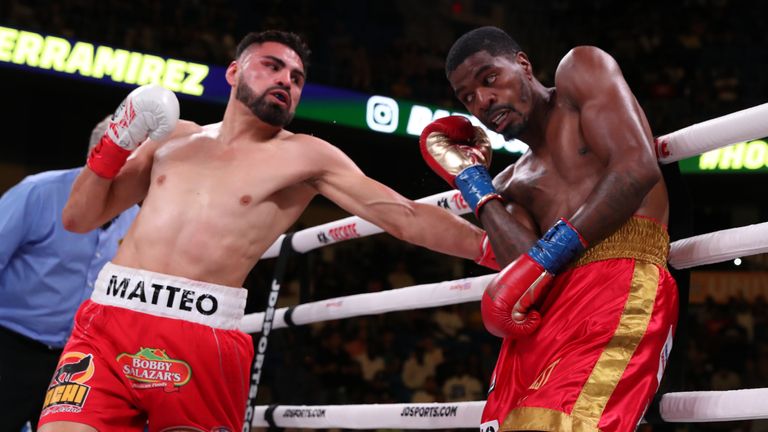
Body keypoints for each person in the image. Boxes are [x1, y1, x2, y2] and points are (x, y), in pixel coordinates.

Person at [39, 30, 492, 431]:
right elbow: (78, 219)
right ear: (234, 71)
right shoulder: (171, 137)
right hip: (108, 319)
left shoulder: (306, 156)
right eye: (272, 66)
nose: (286, 81)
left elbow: (403, 215)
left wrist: (497, 249)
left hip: (200, 336)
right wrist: (113, 144)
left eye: (296, 78)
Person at [420, 26, 678, 432]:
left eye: (490, 80)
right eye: (468, 98)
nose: (484, 101)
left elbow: (636, 167)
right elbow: (523, 270)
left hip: (617, 284)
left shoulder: (580, 71)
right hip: (546, 316)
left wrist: (549, 252)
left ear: (522, 64)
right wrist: (476, 185)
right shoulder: (511, 183)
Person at [0, 117, 139, 432]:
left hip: (77, 359)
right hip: (10, 344)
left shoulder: (136, 217)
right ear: (98, 155)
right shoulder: (38, 192)